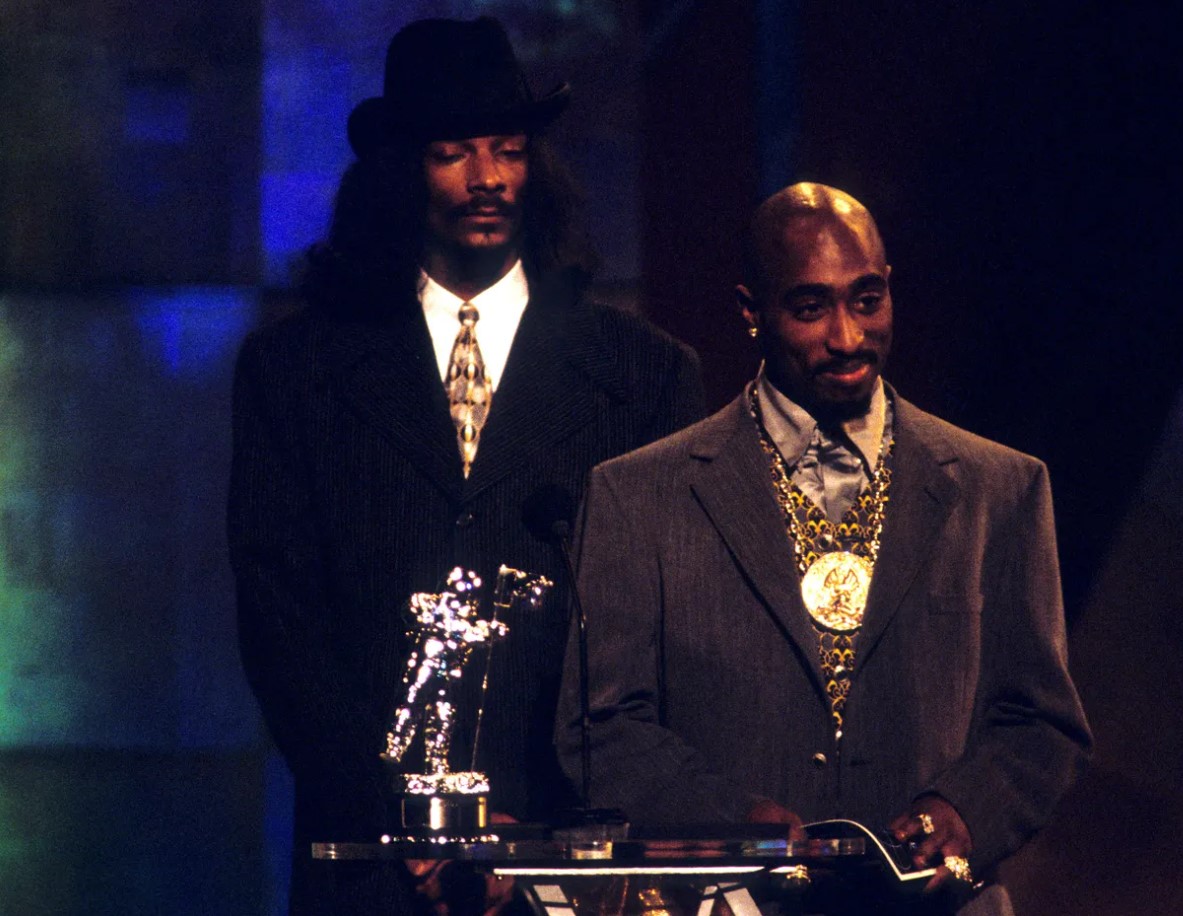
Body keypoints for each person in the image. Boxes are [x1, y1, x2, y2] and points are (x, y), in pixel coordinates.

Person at [228, 17, 704, 915]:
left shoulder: (644, 375)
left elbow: (662, 640)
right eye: (452, 152)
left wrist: (552, 833)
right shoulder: (295, 372)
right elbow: (279, 623)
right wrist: (403, 821)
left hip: (572, 859)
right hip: (367, 865)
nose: (488, 178)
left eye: (508, 150)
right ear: (400, 170)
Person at [556, 183, 1090, 914]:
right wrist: (730, 822)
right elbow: (600, 726)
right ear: (751, 311)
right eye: (811, 308)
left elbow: (1042, 722)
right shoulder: (639, 495)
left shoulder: (1001, 488)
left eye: (867, 300)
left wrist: (964, 812)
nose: (847, 337)